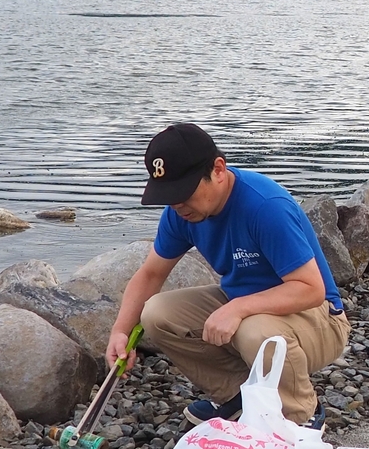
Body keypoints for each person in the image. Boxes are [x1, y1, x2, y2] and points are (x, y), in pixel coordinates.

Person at [105, 123, 351, 426]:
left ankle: (296, 418)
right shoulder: (182, 212)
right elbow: (150, 275)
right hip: (250, 305)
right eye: (168, 194)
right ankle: (241, 397)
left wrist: (237, 308)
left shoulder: (265, 206)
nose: (177, 204)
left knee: (256, 332)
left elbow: (310, 289)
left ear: (218, 169)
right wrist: (120, 332)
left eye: (183, 191)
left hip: (319, 318)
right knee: (156, 314)